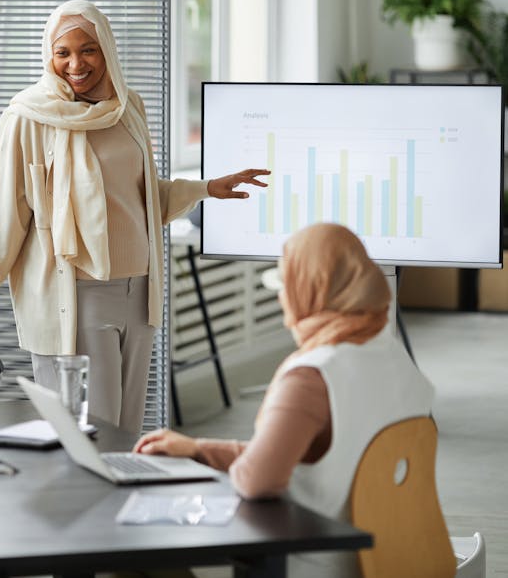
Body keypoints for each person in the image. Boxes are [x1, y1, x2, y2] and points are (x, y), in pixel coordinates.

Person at [0, 0, 268, 432]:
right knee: (87, 433)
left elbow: (142, 200)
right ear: (49, 56)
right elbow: (4, 213)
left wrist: (206, 189)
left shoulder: (129, 108)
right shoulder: (28, 118)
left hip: (139, 292)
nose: (76, 63)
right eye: (63, 52)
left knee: (126, 431)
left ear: (106, 48)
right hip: (75, 296)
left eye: (88, 49)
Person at [133, 223, 435, 578]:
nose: (281, 299)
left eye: (285, 287)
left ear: (309, 291)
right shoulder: (395, 358)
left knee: (138, 552)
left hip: (315, 561)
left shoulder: (311, 377)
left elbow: (257, 481)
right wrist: (198, 449)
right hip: (394, 556)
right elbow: (310, 460)